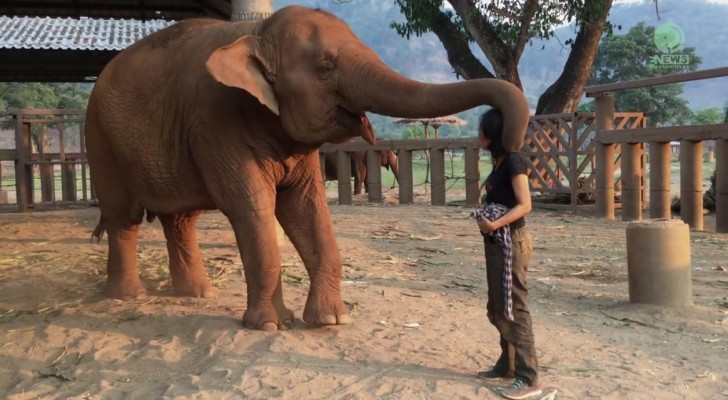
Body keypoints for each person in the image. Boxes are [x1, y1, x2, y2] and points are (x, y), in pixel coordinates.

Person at [474, 108, 542, 400]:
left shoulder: (514, 161)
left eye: (481, 130)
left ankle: (528, 377)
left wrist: (495, 223)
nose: (478, 135)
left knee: (515, 306)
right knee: (498, 306)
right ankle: (508, 364)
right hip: (497, 243)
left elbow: (525, 204)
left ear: (492, 134)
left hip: (511, 240)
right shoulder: (500, 161)